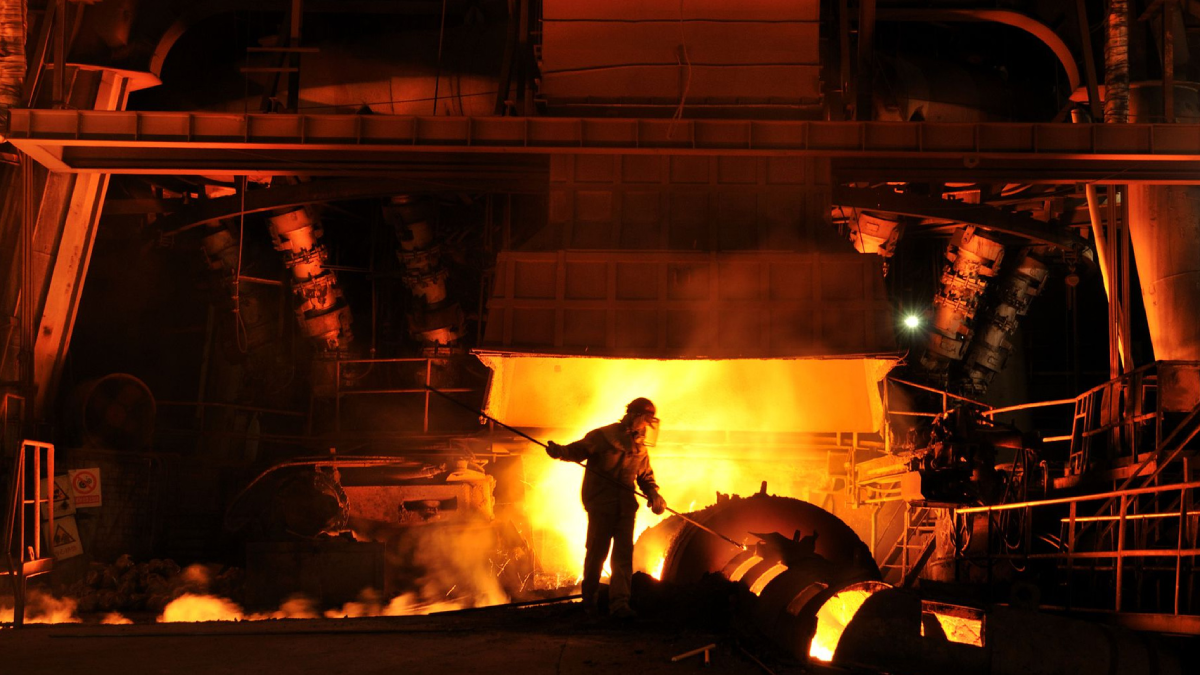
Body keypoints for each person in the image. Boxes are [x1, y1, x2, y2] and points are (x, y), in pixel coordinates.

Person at [546, 397, 667, 619]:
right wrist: (559, 451)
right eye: (646, 421)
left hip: (625, 510)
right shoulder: (602, 437)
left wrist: (653, 493)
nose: (647, 427)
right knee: (596, 554)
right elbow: (576, 451)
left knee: (622, 557)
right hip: (602, 507)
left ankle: (619, 605)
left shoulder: (639, 448)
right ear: (636, 417)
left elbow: (646, 477)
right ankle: (590, 602)